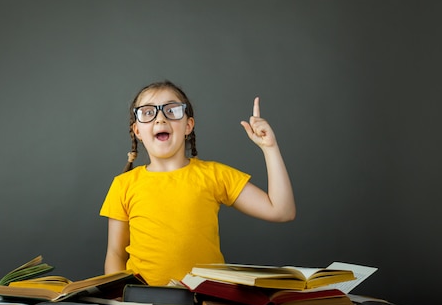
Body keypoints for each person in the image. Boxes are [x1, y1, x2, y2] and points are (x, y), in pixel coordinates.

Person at [100, 80, 295, 285]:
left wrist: (270, 148)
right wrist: (121, 299)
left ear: (188, 125)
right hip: (143, 303)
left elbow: (282, 211)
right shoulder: (123, 184)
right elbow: (115, 254)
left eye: (171, 110)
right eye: (148, 113)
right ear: (138, 131)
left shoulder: (214, 175)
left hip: (205, 300)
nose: (160, 119)